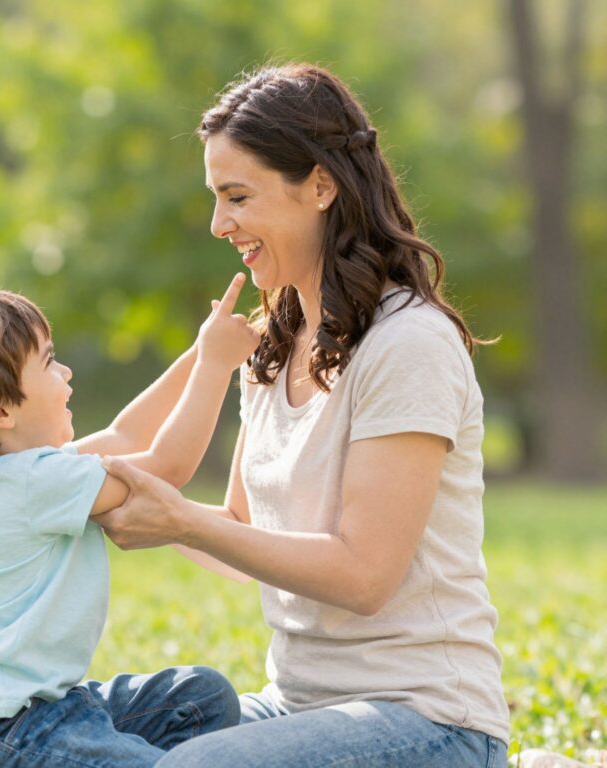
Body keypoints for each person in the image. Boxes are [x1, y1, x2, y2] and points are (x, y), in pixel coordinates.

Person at [94, 63, 512, 767]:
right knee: (83, 740)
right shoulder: (272, 343)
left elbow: (364, 576)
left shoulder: (409, 344)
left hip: (430, 722)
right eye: (216, 199)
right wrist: (105, 499)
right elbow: (244, 532)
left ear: (321, 185)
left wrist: (179, 520)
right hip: (297, 704)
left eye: (237, 197)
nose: (218, 224)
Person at [0, 283, 258, 767]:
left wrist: (202, 351)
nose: (67, 372)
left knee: (200, 699)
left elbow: (125, 435)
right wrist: (217, 366)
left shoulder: (26, 474)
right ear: (0, 410)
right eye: (50, 362)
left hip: (31, 714)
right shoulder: (34, 483)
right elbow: (167, 465)